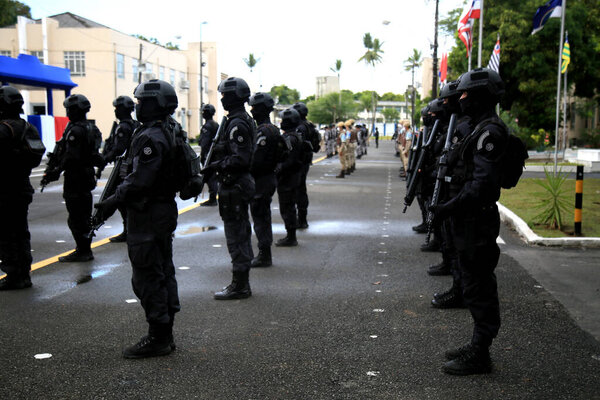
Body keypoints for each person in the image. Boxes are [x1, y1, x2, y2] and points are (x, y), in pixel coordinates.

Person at [95, 79, 181, 358]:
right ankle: (165, 334)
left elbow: (138, 182)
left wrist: (108, 203)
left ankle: (158, 337)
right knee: (162, 271)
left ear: (155, 103)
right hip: (161, 211)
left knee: (147, 276)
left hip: (148, 214)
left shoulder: (149, 137)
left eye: (142, 101)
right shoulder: (168, 129)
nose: (138, 106)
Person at [431, 68, 508, 375]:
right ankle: (478, 343)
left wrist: (449, 206)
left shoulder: (490, 132)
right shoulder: (477, 129)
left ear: (480, 97)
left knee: (479, 284)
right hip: (466, 219)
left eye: (465, 94)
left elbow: (482, 185)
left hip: (476, 219)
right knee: (471, 280)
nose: (460, 99)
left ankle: (481, 351)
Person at [203, 77, 256, 300]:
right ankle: (241, 282)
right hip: (233, 185)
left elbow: (240, 159)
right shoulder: (236, 120)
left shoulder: (237, 124)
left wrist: (215, 165)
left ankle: (240, 285)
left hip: (234, 185)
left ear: (234, 96)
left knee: (236, 235)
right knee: (239, 231)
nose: (222, 99)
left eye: (225, 95)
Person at [42, 94, 103, 262]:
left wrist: (55, 172)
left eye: (69, 109)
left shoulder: (75, 130)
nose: (68, 112)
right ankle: (84, 248)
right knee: (84, 215)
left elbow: (71, 156)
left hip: (76, 178)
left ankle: (83, 250)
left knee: (76, 218)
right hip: (87, 176)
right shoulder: (91, 128)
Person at [0, 86, 44, 290]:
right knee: (20, 231)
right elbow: (36, 155)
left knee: (8, 234)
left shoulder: (4, 128)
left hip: (5, 187)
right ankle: (23, 273)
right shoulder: (28, 127)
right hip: (21, 185)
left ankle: (14, 275)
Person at [248, 92, 287, 267]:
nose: (252, 110)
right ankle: (264, 252)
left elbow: (257, 160)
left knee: (261, 217)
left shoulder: (264, 131)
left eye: (254, 107)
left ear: (262, 109)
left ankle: (264, 254)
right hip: (267, 178)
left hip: (262, 180)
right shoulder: (272, 129)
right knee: (262, 216)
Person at [101, 95, 140, 243]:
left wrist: (105, 158)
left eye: (117, 108)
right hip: (132, 167)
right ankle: (129, 229)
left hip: (124, 168)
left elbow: (119, 148)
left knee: (121, 200)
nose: (116, 111)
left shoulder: (123, 126)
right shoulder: (135, 124)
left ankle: (128, 230)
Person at [274, 108, 303, 246]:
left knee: (287, 206)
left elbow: (290, 159)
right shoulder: (295, 136)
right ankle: (291, 234)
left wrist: (279, 168)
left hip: (288, 177)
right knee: (288, 206)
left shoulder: (290, 138)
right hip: (292, 175)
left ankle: (291, 236)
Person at [292, 102, 320, 230]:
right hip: (305, 160)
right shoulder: (308, 125)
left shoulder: (300, 128)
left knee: (299, 190)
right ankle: (302, 218)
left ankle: (302, 219)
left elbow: (298, 145)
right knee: (300, 189)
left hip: (300, 161)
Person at [199, 104, 219, 206]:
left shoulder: (207, 126)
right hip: (215, 155)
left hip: (209, 155)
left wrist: (204, 156)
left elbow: (204, 143)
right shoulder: (216, 125)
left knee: (210, 177)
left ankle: (212, 198)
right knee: (212, 177)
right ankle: (213, 197)